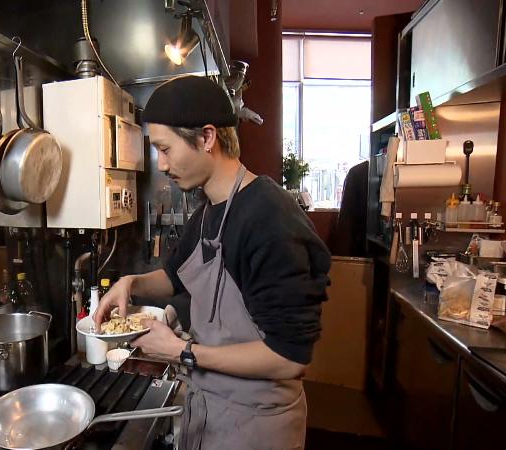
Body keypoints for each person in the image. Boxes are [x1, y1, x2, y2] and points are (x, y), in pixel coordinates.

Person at [94, 76, 331, 450]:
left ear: (206, 138)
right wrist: (131, 283)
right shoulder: (207, 212)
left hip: (257, 426)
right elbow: (173, 278)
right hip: (211, 412)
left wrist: (181, 351)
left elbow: (289, 359)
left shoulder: (268, 218)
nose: (163, 163)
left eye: (165, 149)